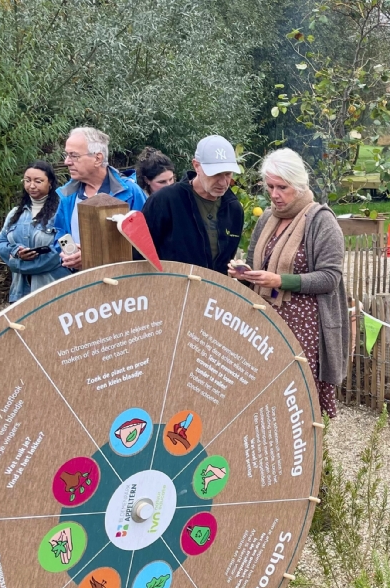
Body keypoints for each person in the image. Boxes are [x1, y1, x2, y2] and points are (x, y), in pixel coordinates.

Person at [231, 148, 349, 417]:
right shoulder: (267, 219)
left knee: (299, 404)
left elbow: (330, 278)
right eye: (270, 186)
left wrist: (281, 280)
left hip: (306, 329)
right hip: (267, 323)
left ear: (298, 185)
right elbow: (256, 264)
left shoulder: (321, 221)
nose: (274, 194)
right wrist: (245, 274)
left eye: (282, 187)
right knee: (266, 401)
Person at [142, 135, 244, 272]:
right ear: (196, 166)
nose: (223, 182)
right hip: (170, 289)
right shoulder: (164, 201)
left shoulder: (234, 209)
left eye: (228, 174)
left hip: (213, 291)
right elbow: (140, 255)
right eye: (215, 174)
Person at [55, 126, 147, 270]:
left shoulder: (130, 192)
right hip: (79, 280)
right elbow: (59, 232)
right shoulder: (67, 194)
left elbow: (146, 241)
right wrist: (68, 253)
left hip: (122, 280)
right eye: (66, 155)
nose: (67, 161)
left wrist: (93, 257)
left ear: (98, 158)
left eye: (74, 156)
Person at [0, 161, 69, 302]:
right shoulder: (15, 214)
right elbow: (0, 243)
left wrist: (18, 265)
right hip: (20, 292)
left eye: (38, 181)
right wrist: (17, 252)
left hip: (53, 290)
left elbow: (64, 249)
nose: (32, 186)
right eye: (27, 180)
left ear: (50, 183)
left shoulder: (61, 213)